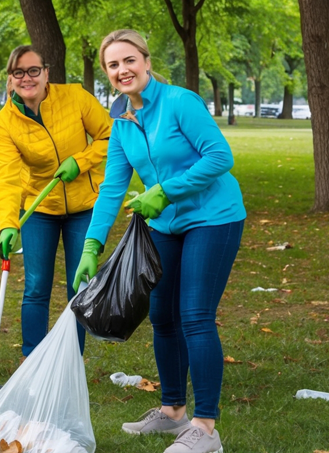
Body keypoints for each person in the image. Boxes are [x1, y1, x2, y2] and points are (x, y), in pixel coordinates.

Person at [74, 29, 245, 453]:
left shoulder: (179, 103)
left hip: (213, 217)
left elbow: (221, 157)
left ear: (146, 61)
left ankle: (206, 430)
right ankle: (173, 414)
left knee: (195, 316)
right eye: (113, 65)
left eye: (129, 60)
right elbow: (113, 188)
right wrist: (92, 246)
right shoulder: (121, 120)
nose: (122, 70)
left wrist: (166, 190)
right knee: (161, 316)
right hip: (165, 227)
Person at [0, 44, 111, 356]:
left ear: (46, 73)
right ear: (10, 77)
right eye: (19, 72)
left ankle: (71, 360)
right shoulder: (6, 121)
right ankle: (32, 359)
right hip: (40, 208)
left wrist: (81, 161)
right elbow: (6, 177)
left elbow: (112, 136)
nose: (27, 78)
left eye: (34, 70)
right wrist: (7, 224)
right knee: (35, 286)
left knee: (79, 286)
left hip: (84, 206)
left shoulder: (75, 97)